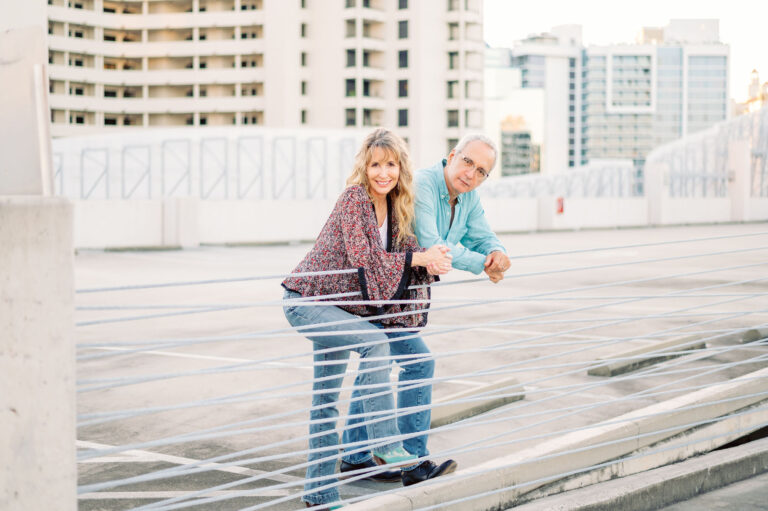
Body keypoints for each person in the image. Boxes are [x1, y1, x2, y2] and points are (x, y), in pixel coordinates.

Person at [282, 128, 453, 508]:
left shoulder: (397, 208)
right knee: (375, 343)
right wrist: (417, 259)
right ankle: (387, 444)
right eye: (376, 164)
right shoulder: (353, 199)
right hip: (307, 302)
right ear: (365, 166)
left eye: (390, 165)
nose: (383, 173)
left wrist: (433, 260)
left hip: (341, 308)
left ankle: (319, 494)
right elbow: (368, 262)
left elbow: (412, 259)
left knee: (325, 401)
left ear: (400, 169)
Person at [340, 134, 511, 487]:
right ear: (452, 156)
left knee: (378, 363)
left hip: (400, 295)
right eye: (467, 162)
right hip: (383, 289)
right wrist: (482, 264)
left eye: (481, 171)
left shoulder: (468, 197)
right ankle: (413, 463)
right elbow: (435, 244)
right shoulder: (426, 185)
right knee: (418, 363)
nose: (471, 174)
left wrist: (496, 253)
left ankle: (355, 457)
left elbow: (482, 235)